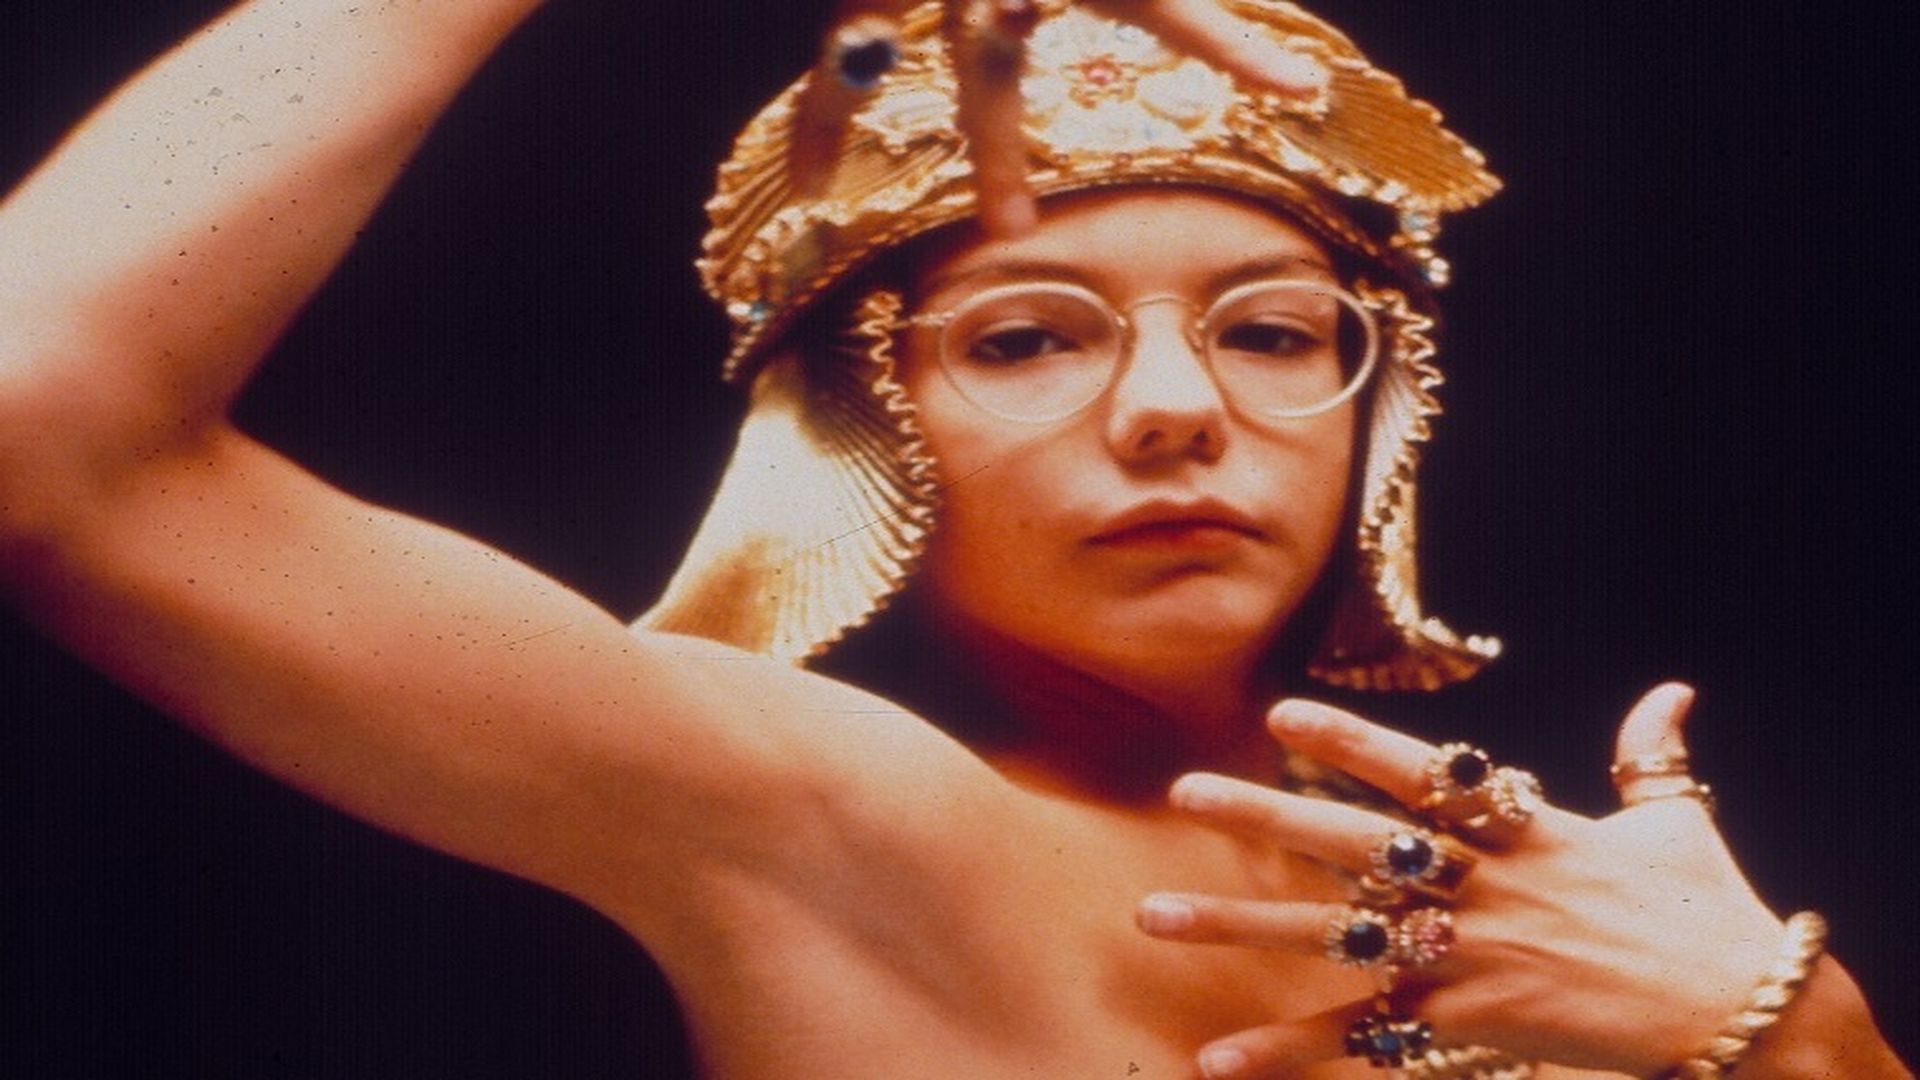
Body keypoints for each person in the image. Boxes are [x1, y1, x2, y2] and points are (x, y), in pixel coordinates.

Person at [0, 1, 1909, 1078]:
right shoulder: (826, 817)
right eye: (1026, 339)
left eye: (1267, 331)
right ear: (860, 424)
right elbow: (37, 424)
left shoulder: (1555, 900)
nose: (1173, 407)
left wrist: (1793, 1032)